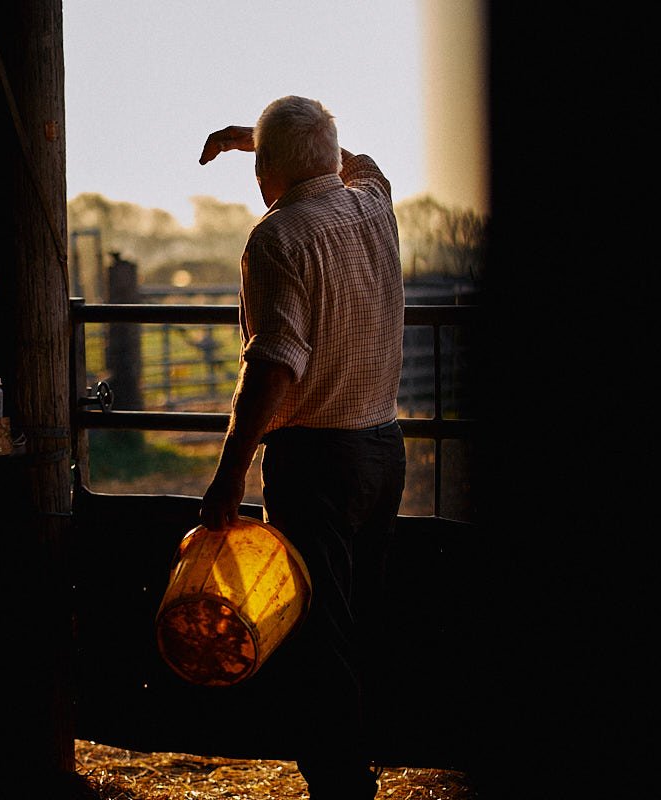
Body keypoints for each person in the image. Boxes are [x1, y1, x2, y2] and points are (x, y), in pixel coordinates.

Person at [197, 95, 406, 800]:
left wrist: (229, 473)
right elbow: (345, 160)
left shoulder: (277, 238)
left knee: (319, 636)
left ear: (266, 172)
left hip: (317, 459)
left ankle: (340, 786)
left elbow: (276, 363)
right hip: (384, 446)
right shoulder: (374, 198)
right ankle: (364, 767)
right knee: (362, 619)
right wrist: (260, 139)